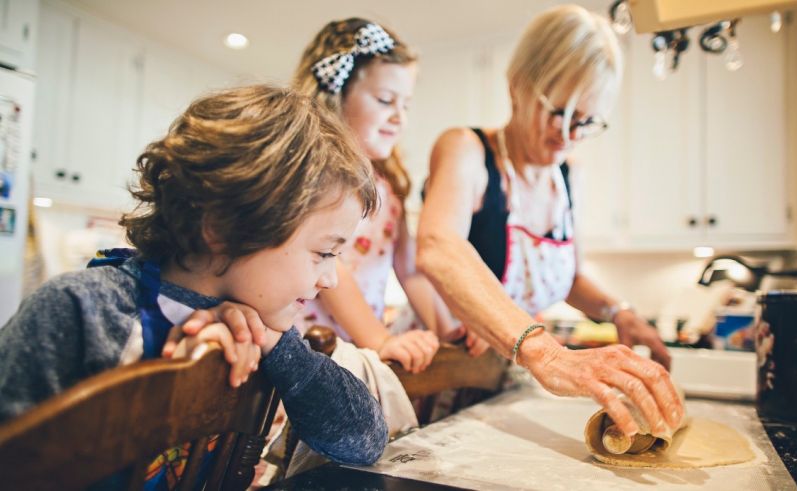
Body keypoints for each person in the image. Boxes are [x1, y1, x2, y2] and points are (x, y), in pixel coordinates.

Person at [0, 85, 388, 485]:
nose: (331, 278)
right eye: (324, 253)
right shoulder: (81, 310)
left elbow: (365, 442)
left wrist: (279, 346)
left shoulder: (264, 329)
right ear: (222, 229)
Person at [416, 4, 683, 437]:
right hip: (447, 376)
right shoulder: (466, 150)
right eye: (558, 112)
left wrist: (620, 312)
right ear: (517, 86)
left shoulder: (566, 174)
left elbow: (570, 279)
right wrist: (548, 353)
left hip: (512, 385)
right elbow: (437, 245)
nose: (568, 134)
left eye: (585, 121)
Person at [290, 18, 447, 373]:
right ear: (336, 95)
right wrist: (379, 339)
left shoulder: (389, 182)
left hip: (359, 349)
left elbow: (411, 271)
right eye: (385, 100)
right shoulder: (320, 173)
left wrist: (448, 327)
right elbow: (333, 271)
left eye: (405, 104)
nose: (399, 117)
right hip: (312, 348)